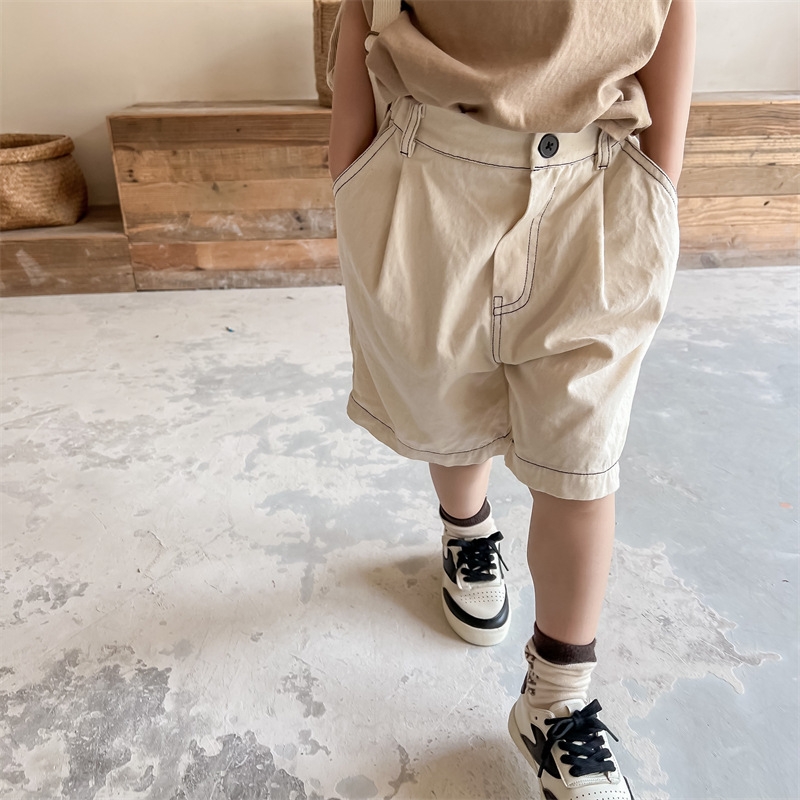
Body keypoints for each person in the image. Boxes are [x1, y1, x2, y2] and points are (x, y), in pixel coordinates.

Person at [327, 1, 696, 796]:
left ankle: (558, 697)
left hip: (596, 187)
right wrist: (350, 168)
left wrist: (661, 176)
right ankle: (467, 529)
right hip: (432, 176)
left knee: (582, 453)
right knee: (447, 407)